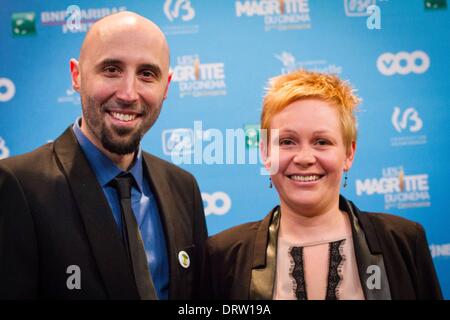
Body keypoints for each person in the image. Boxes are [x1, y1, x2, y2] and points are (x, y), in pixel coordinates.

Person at [0, 11, 207, 300]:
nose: (128, 93)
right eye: (111, 69)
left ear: (166, 87)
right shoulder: (18, 185)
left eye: (147, 74)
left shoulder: (184, 187)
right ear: (77, 75)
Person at [205, 70, 442, 300]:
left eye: (321, 142)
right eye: (287, 142)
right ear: (266, 154)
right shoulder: (224, 255)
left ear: (349, 153)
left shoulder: (403, 241)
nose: (304, 158)